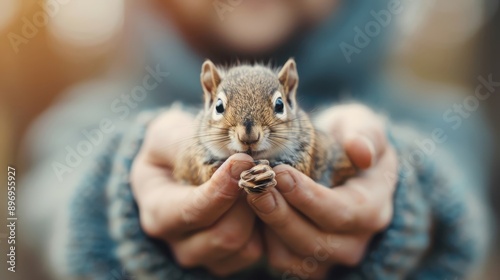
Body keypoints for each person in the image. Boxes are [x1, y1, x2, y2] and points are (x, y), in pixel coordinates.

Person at [19, 1, 493, 279]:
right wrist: (122, 193)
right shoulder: (88, 114)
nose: (248, 134)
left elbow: (458, 168)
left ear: (289, 89)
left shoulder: (434, 111)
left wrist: (402, 186)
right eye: (225, 111)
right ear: (211, 92)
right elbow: (43, 200)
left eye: (274, 111)